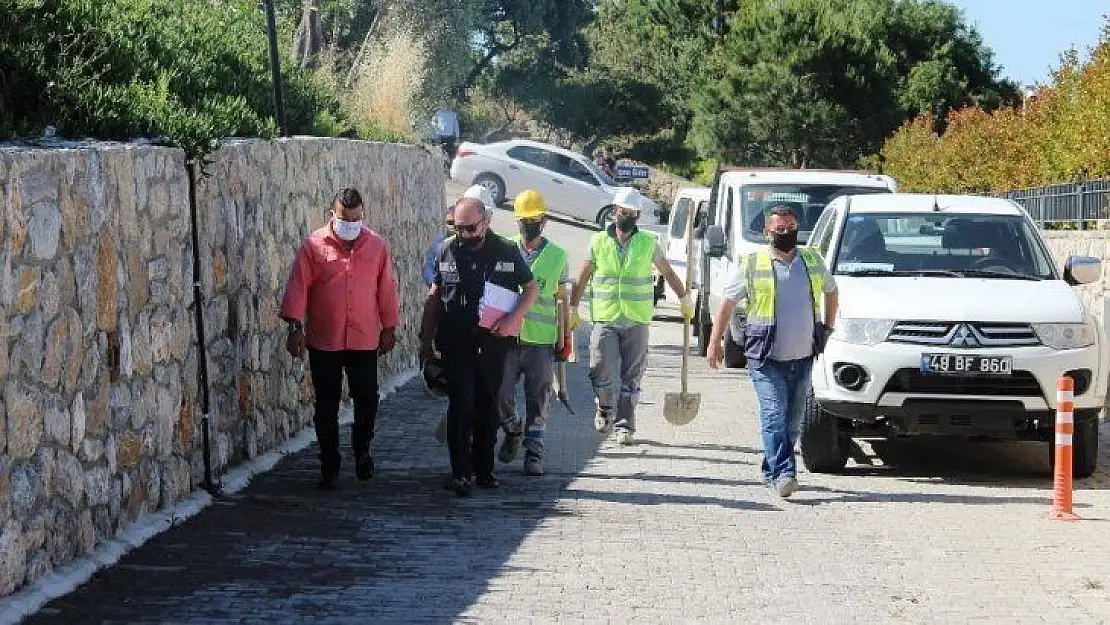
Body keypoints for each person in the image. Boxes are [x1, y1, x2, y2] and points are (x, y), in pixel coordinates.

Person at [706, 204, 839, 499]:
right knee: (774, 414)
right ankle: (784, 473)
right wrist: (714, 342)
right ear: (767, 232)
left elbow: (831, 291)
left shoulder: (811, 260)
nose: (787, 233)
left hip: (803, 357)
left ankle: (772, 469)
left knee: (791, 424)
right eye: (780, 229)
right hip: (765, 358)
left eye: (791, 228)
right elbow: (726, 306)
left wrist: (827, 328)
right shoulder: (752, 263)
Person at [280, 188, 400, 490]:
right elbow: (298, 286)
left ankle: (362, 450)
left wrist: (390, 327)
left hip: (363, 339)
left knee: (367, 398)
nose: (351, 224)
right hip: (324, 340)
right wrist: (295, 327)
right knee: (326, 404)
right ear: (332, 214)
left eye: (357, 219)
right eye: (346, 219)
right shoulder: (313, 246)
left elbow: (386, 289)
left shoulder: (376, 246)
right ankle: (329, 463)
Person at [420, 196, 540, 497]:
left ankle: (484, 470)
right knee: (462, 404)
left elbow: (531, 288)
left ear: (485, 222)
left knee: (488, 406)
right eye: (458, 228)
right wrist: (425, 340)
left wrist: (513, 320)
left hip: (493, 342)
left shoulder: (506, 250)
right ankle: (461, 473)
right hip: (456, 342)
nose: (464, 234)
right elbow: (434, 294)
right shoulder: (446, 249)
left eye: (470, 228)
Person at [569, 187, 693, 446]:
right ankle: (604, 408)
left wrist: (684, 298)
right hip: (606, 318)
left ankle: (625, 426)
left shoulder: (648, 242)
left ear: (638, 216)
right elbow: (582, 277)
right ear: (614, 212)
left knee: (631, 377)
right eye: (623, 212)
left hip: (636, 320)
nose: (627, 217)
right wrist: (572, 308)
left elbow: (668, 273)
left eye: (632, 213)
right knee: (598, 367)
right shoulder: (598, 241)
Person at [495, 190, 570, 476]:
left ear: (544, 221)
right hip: (508, 339)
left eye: (534, 220)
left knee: (538, 399)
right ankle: (512, 427)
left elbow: (561, 300)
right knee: (500, 393)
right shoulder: (505, 249)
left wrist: (566, 338)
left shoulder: (557, 256)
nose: (528, 225)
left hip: (540, 341)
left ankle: (534, 453)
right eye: (524, 220)